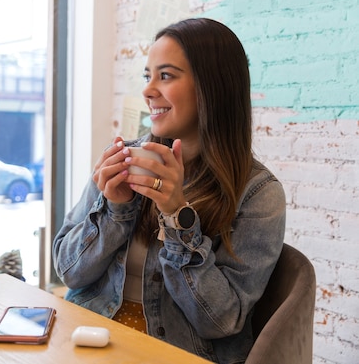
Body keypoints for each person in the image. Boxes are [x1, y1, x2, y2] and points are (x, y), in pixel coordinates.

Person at [52, 18, 286, 363]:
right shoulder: (123, 158)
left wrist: (178, 216)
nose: (148, 90)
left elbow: (221, 321)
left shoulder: (258, 194)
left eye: (166, 75)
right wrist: (115, 210)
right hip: (92, 336)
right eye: (148, 76)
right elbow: (69, 271)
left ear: (212, 87)